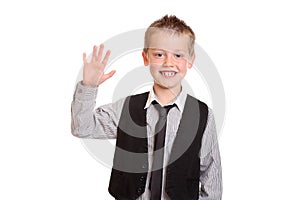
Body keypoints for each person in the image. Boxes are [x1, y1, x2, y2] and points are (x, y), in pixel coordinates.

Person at [71, 15, 222, 200]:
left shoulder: (203, 115)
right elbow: (82, 128)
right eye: (159, 54)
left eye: (178, 55)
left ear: (190, 60)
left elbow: (211, 176)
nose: (168, 62)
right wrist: (89, 86)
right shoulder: (126, 108)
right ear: (145, 57)